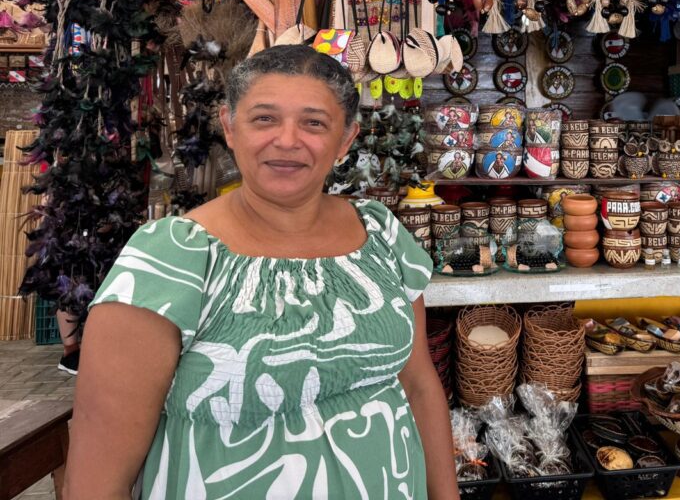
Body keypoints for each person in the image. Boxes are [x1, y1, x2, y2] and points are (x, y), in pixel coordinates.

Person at [65, 45, 458, 499]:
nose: (287, 140)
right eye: (264, 118)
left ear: (346, 139)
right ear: (230, 127)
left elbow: (418, 384)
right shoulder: (172, 258)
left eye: (314, 123)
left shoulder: (380, 233)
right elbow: (96, 478)